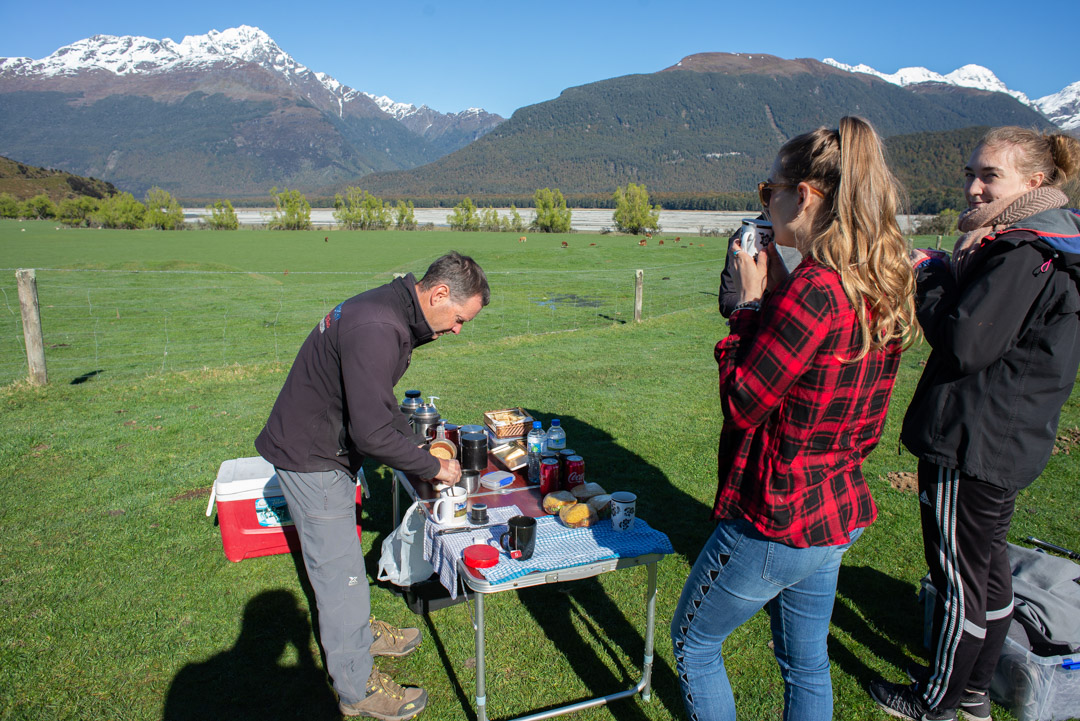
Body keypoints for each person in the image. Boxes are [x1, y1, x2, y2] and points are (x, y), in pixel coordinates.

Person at [671, 116, 918, 721]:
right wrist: (775, 291)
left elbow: (744, 402)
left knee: (694, 644)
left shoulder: (817, 289)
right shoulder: (874, 280)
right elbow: (809, 380)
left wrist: (750, 307)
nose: (765, 204)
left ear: (803, 196)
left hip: (776, 515)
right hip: (834, 508)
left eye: (767, 192)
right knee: (804, 660)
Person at [869, 128, 1080, 721]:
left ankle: (934, 702)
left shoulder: (1022, 253)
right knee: (989, 574)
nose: (973, 186)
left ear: (1035, 183)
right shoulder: (1055, 245)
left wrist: (928, 277)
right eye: (970, 172)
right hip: (1009, 436)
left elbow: (965, 341)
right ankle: (973, 693)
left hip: (973, 439)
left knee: (960, 577)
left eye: (990, 175)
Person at [255, 251, 490, 720]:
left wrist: (416, 449)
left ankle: (360, 632)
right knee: (339, 573)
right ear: (440, 294)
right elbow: (371, 432)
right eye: (460, 319)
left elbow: (377, 406)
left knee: (342, 556)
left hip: (321, 444)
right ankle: (357, 688)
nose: (458, 330)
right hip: (313, 457)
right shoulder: (380, 328)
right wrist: (432, 468)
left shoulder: (390, 310)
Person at [718, 216, 803, 317]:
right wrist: (753, 298)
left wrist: (750, 300)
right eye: (764, 200)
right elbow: (727, 300)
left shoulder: (818, 242)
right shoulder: (747, 235)